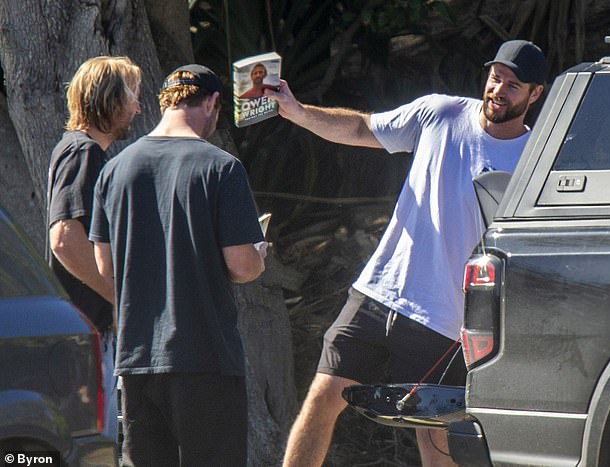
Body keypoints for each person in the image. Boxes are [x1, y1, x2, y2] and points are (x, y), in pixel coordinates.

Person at [266, 39, 546, 466]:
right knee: (322, 399)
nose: (499, 90)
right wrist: (298, 112)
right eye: (496, 78)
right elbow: (363, 128)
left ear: (534, 94)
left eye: (513, 86)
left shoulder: (535, 160)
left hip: (445, 319)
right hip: (378, 293)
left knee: (434, 445)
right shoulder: (441, 113)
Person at [89, 64, 267, 467]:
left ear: (165, 102)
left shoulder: (115, 169)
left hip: (135, 361)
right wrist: (260, 255)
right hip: (205, 358)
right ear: (214, 102)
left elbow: (105, 266)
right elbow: (241, 266)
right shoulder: (222, 167)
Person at [47, 55, 142, 441]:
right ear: (109, 100)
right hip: (83, 334)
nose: (138, 107)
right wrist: (117, 297)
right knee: (89, 446)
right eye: (132, 96)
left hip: (84, 333)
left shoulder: (84, 151)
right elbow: (66, 239)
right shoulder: (84, 152)